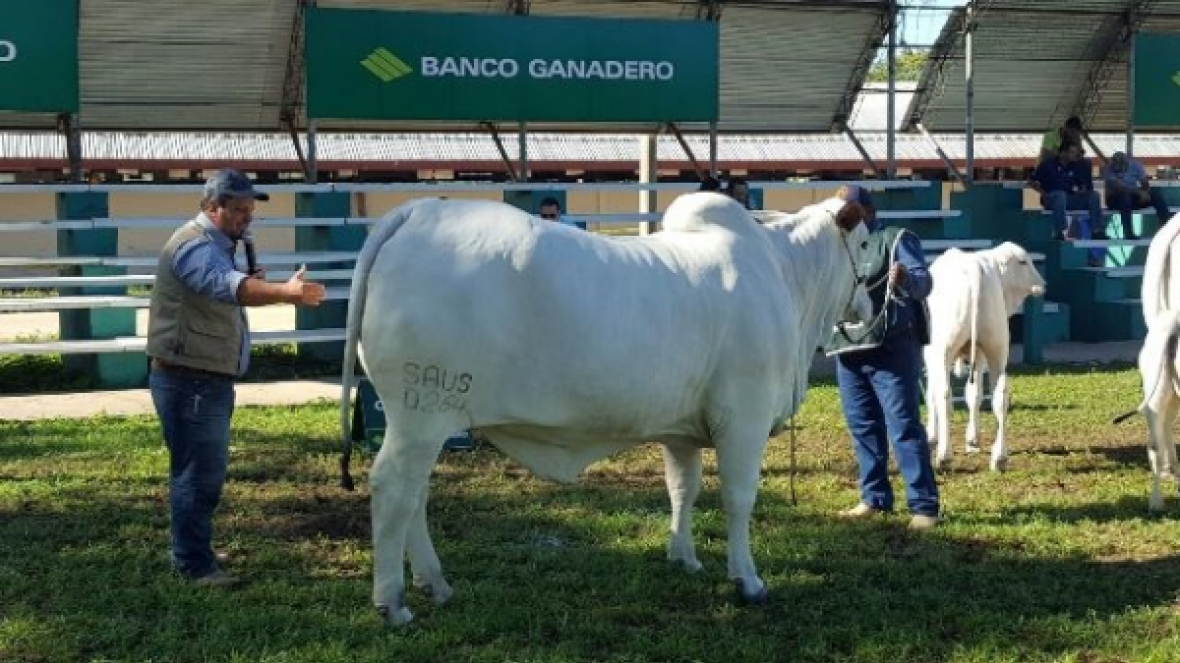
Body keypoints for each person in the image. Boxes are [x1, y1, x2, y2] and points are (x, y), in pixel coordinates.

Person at [147, 168, 326, 587]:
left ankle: (192, 548)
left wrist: (257, 287)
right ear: (213, 207)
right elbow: (225, 286)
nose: (247, 218)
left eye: (250, 210)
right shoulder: (195, 246)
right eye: (239, 210)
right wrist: (285, 293)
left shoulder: (216, 244)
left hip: (201, 378)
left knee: (196, 470)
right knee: (198, 474)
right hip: (191, 380)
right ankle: (195, 565)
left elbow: (229, 291)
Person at [824, 185, 941, 531]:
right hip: (847, 346)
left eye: (850, 211)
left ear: (867, 212)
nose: (843, 218)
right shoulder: (835, 246)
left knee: (902, 425)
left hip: (891, 345)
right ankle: (874, 497)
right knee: (862, 425)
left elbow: (924, 282)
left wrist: (905, 279)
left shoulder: (895, 238)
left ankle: (924, 506)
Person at [1030, 142, 1105, 243]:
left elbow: (1081, 184)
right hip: (1051, 198)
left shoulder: (1075, 165)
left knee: (1094, 195)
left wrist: (1082, 190)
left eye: (1076, 152)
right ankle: (1059, 232)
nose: (1075, 155)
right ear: (1062, 153)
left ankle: (1096, 231)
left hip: (1069, 199)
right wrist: (1044, 194)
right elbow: (1031, 182)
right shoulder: (1047, 164)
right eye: (1072, 152)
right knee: (1060, 195)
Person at [1103, 151, 1171, 240]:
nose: (1118, 170)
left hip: (1132, 198)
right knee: (1125, 197)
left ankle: (1167, 228)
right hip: (1115, 199)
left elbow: (1145, 182)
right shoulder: (1108, 169)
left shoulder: (1135, 165)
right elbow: (1119, 188)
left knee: (1155, 192)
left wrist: (1145, 193)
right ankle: (1129, 233)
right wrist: (1139, 193)